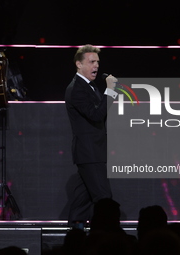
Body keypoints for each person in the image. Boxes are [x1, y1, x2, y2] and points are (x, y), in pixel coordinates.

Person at [64, 44, 118, 229]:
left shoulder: (90, 86)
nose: (96, 66)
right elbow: (96, 115)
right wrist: (110, 90)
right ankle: (107, 238)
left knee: (82, 201)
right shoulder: (77, 89)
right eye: (91, 62)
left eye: (97, 62)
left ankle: (75, 238)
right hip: (89, 153)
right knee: (104, 199)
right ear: (79, 64)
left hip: (93, 152)